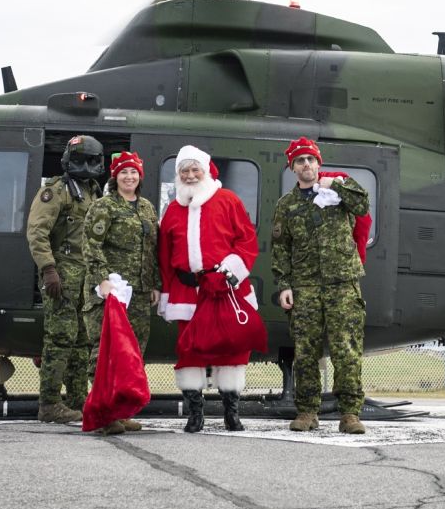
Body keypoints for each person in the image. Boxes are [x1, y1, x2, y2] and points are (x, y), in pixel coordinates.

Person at [271, 137, 370, 434]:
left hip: (342, 282)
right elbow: (280, 248)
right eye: (300, 161)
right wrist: (284, 284)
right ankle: (307, 411)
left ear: (318, 163)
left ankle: (350, 414)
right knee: (306, 352)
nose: (306, 165)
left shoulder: (339, 189)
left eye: (311, 160)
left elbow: (363, 203)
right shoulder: (286, 206)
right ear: (293, 167)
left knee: (347, 349)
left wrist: (335, 186)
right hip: (306, 286)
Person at [158, 145, 260, 433]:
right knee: (190, 351)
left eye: (195, 170)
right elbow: (165, 256)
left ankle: (231, 412)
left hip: (224, 288)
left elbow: (246, 242)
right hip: (187, 290)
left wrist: (231, 272)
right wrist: (166, 291)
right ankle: (195, 414)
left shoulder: (228, 200)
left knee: (230, 351)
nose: (190, 176)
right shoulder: (173, 211)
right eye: (184, 171)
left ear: (206, 170)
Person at [26, 135, 104, 423]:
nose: (86, 165)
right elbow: (37, 232)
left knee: (83, 340)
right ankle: (49, 404)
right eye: (81, 159)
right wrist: (48, 269)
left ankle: (76, 401)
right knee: (60, 339)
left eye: (91, 160)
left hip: (86, 278)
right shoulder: (56, 191)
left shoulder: (94, 193)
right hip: (61, 275)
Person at [82, 151, 160, 434]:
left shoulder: (147, 208)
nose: (129, 177)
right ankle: (104, 413)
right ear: (115, 177)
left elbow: (152, 250)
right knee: (106, 351)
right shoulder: (104, 206)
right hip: (111, 292)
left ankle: (123, 410)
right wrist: (101, 279)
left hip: (138, 294)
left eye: (134, 172)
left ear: (140, 176)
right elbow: (91, 245)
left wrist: (154, 284)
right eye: (124, 172)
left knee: (133, 354)